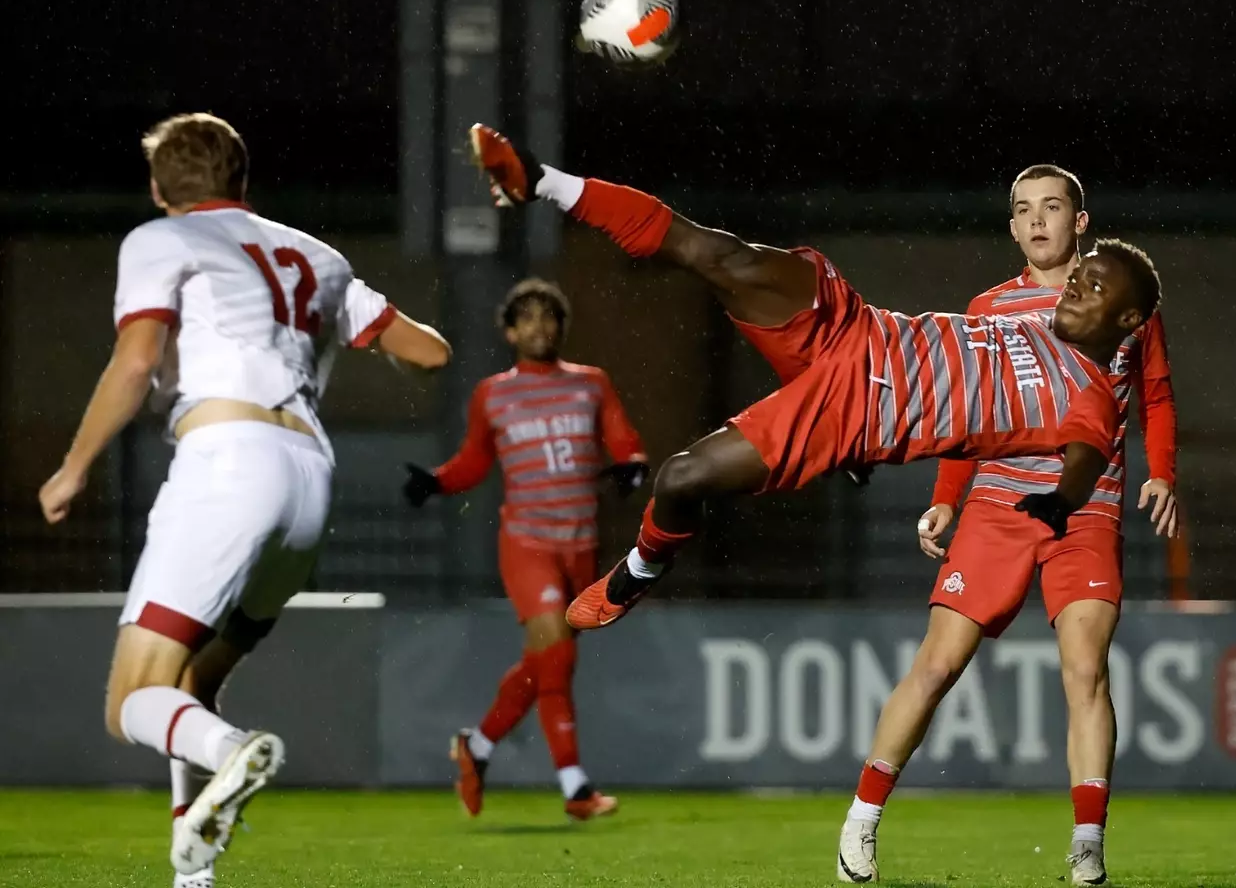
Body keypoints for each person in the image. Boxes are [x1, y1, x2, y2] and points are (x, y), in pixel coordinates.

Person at [467, 125, 1160, 644]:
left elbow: (1086, 458)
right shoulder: (1006, 304)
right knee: (720, 254)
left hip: (852, 412)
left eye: (1093, 287)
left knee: (680, 477)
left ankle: (639, 573)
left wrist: (1059, 505)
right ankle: (542, 181)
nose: (1077, 284)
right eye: (1082, 275)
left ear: (1124, 321)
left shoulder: (1092, 392)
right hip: (857, 328)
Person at [38, 113, 451, 886]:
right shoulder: (316, 256)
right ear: (244, 182)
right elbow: (430, 352)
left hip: (228, 463)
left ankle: (234, 752)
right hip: (309, 482)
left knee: (132, 698)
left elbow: (135, 364)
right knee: (193, 683)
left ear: (161, 189)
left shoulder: (160, 239)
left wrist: (73, 466)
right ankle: (193, 872)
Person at [837, 163, 1180, 884]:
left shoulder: (1122, 300)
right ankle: (861, 820)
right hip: (998, 507)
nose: (1036, 221)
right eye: (1023, 210)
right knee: (937, 664)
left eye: (1051, 207)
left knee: (1086, 669)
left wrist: (1160, 473)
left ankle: (1088, 845)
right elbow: (971, 411)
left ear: (1080, 221)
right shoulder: (988, 307)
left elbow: (1155, 393)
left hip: (1086, 508)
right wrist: (945, 497)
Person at [402, 278, 647, 822]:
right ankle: (575, 786)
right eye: (527, 318)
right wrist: (437, 482)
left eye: (548, 316)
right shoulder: (493, 393)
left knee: (549, 662)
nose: (539, 326)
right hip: (527, 543)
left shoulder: (591, 384)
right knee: (555, 654)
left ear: (562, 327)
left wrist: (631, 465)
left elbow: (623, 439)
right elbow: (474, 462)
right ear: (509, 331)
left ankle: (479, 746)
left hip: (580, 545)